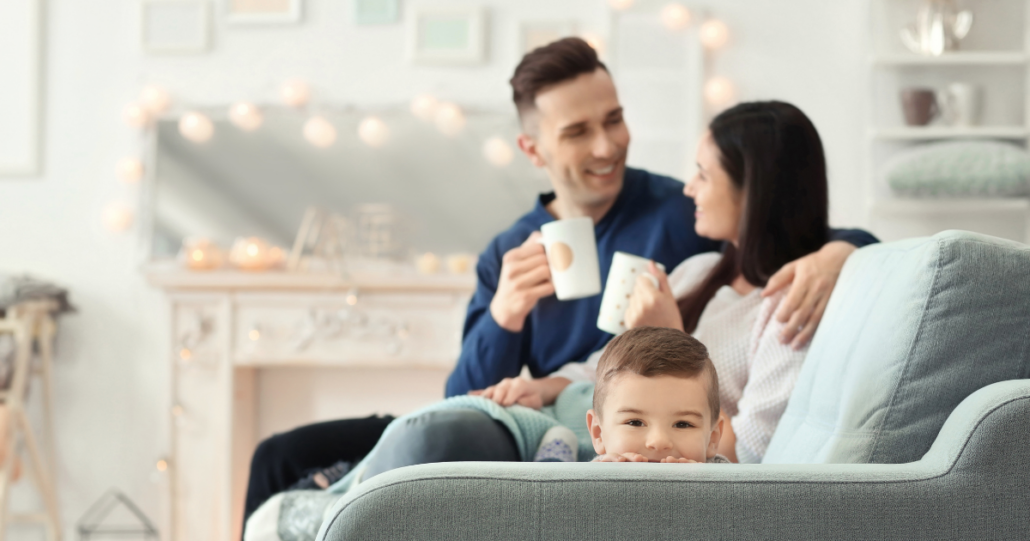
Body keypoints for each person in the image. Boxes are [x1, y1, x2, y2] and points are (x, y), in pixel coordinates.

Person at [242, 38, 876, 527]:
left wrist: (839, 252)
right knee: (277, 452)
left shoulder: (682, 216)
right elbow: (464, 392)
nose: (607, 146)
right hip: (522, 412)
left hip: (590, 432)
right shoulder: (509, 250)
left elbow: (784, 226)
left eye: (614, 119)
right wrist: (506, 317)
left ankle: (330, 499)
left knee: (401, 453)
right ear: (533, 148)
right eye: (577, 131)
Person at [486, 99, 837, 464]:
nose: (689, 189)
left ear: (753, 190)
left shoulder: (788, 308)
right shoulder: (700, 270)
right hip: (611, 437)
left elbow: (747, 453)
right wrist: (537, 387)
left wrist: (674, 336)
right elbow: (612, 368)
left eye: (703, 174)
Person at [586, 326, 729, 464]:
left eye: (683, 424)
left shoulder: (732, 486)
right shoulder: (583, 483)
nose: (659, 441)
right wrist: (601, 483)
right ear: (598, 433)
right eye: (634, 422)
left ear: (712, 438)